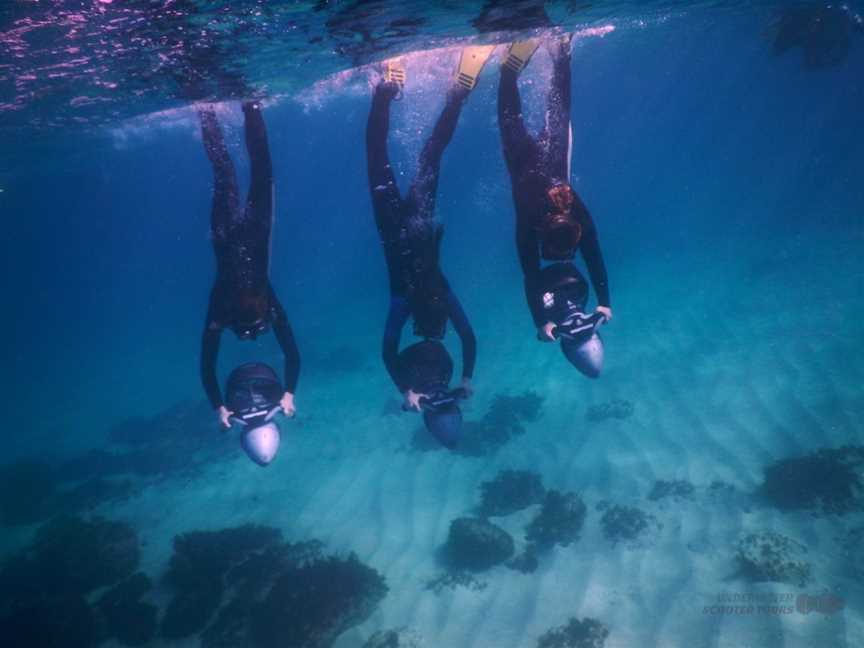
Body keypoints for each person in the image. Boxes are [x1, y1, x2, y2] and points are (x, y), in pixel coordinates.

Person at [366, 49, 490, 431]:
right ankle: (389, 85)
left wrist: (466, 379)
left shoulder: (439, 295)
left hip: (417, 218)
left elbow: (468, 338)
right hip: (392, 222)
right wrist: (406, 389)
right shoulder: (403, 303)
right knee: (378, 152)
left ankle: (458, 91)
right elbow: (388, 350)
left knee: (431, 155)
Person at [498, 36, 612, 377]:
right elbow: (531, 276)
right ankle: (512, 67)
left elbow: (592, 256)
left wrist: (605, 302)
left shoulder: (576, 213)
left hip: (553, 157)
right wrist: (542, 320)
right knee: (510, 111)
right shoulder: (531, 225)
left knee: (559, 107)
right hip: (520, 164)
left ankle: (561, 49)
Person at [198, 102, 300, 427]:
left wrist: (219, 405)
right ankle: (228, 108)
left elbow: (207, 365)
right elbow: (292, 354)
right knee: (237, 171)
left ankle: (232, 107)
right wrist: (288, 392)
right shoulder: (248, 308)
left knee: (232, 171)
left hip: (237, 231)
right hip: (236, 232)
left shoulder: (229, 308)